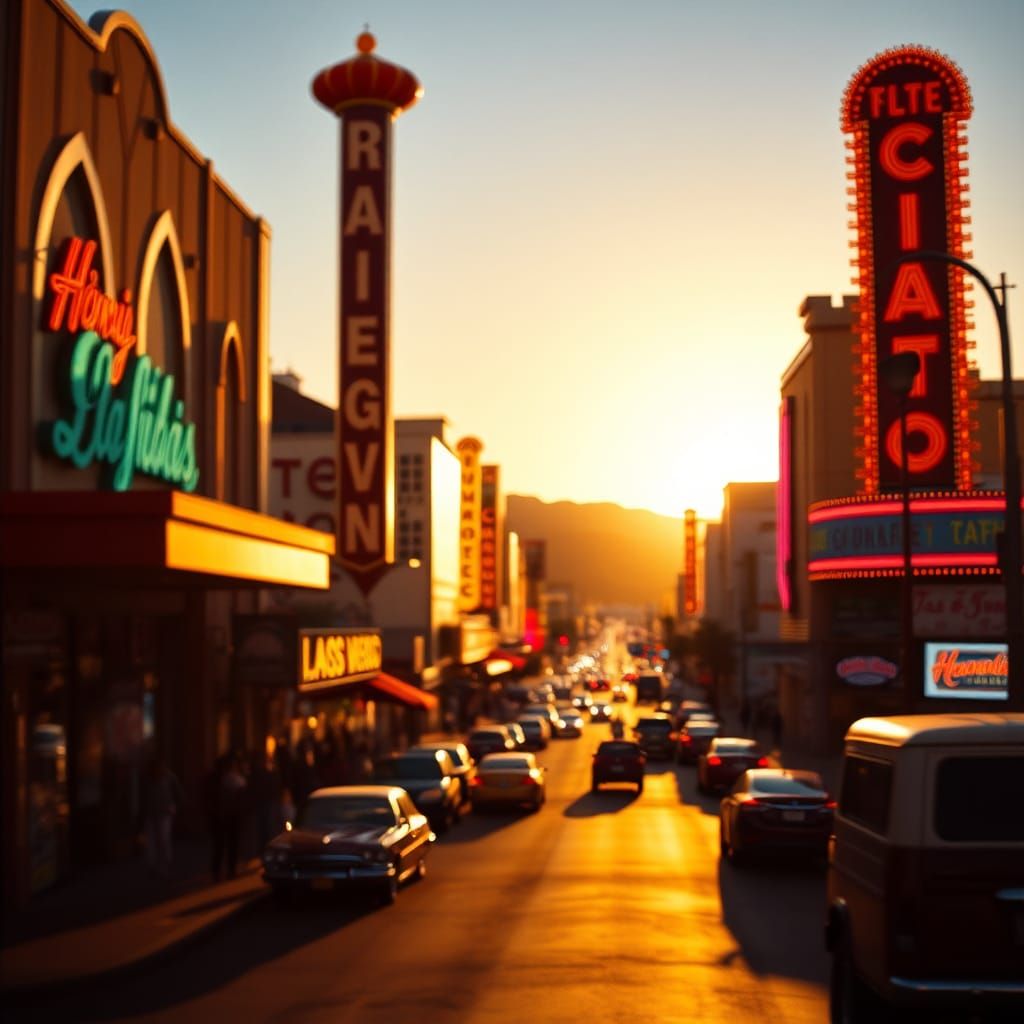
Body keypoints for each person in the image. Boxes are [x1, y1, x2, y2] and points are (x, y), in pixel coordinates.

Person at [141, 756, 184, 878]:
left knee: (163, 840)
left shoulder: (169, 777)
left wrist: (174, 807)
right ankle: (153, 866)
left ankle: (164, 865)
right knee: (152, 841)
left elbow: (178, 793)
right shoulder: (147, 778)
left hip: (164, 813)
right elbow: (143, 795)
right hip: (151, 813)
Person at [209, 754, 248, 880]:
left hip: (229, 816)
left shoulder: (232, 779)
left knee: (227, 844)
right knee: (225, 844)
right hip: (227, 816)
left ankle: (225, 870)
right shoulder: (228, 780)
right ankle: (224, 871)